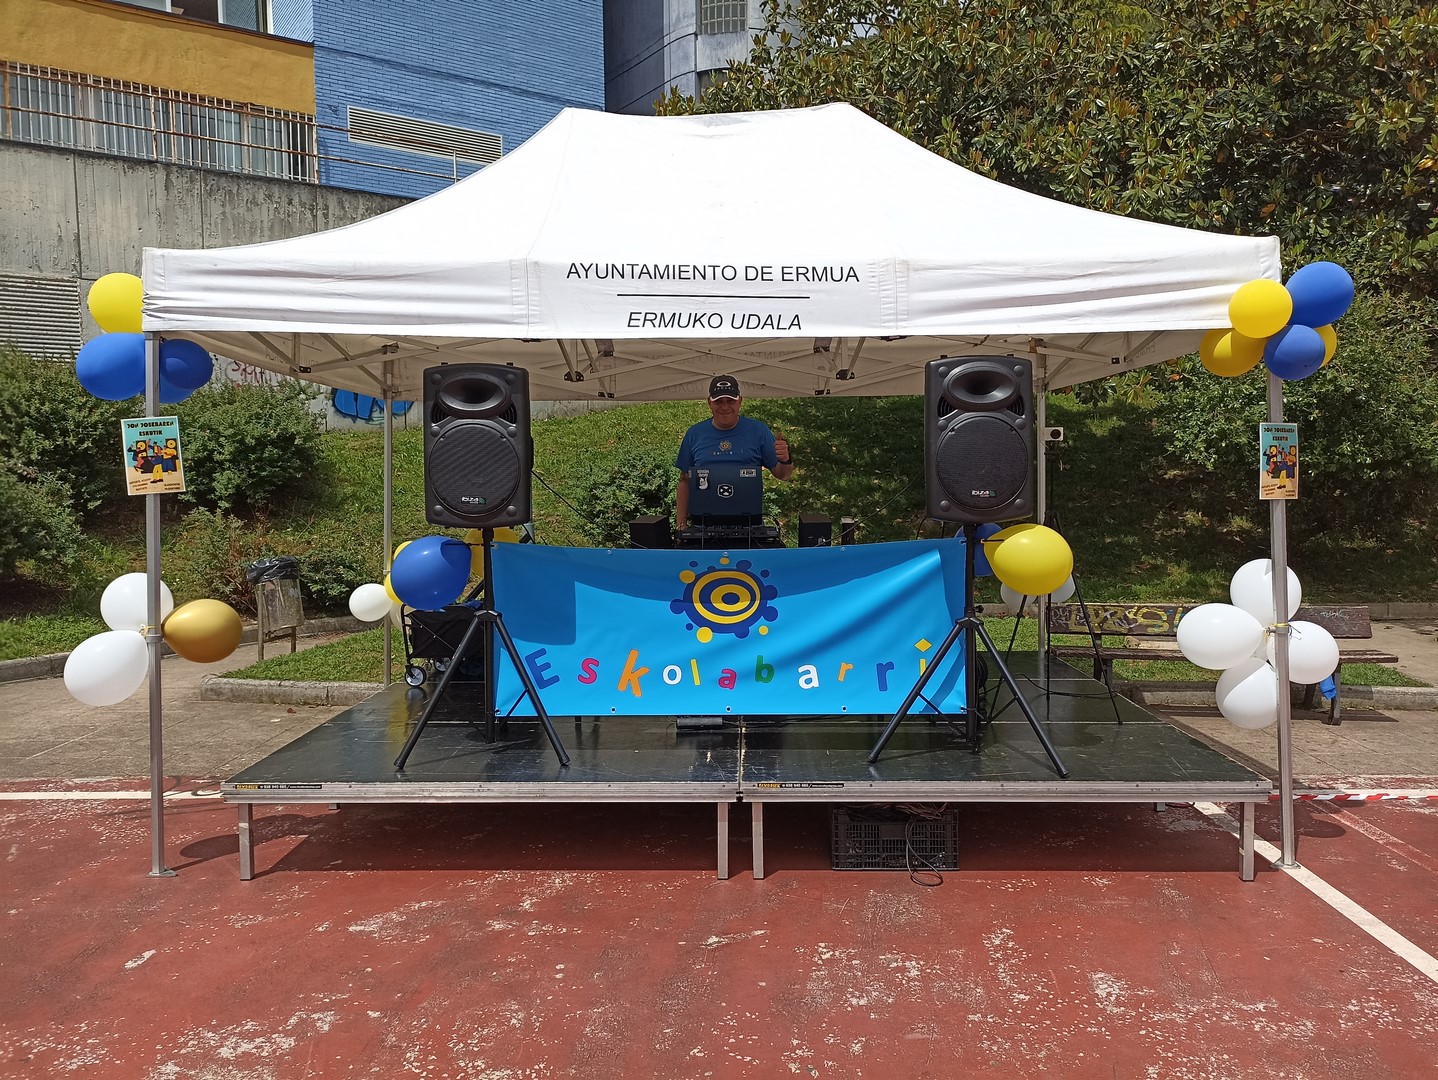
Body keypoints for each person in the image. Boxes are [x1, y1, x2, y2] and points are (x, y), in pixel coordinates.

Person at [675, 374, 793, 530]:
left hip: (749, 529)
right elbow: (684, 481)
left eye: (730, 401)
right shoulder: (695, 434)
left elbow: (783, 475)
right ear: (709, 402)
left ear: (740, 401)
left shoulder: (759, 431)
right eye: (719, 401)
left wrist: (785, 459)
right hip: (704, 528)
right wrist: (681, 525)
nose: (725, 407)